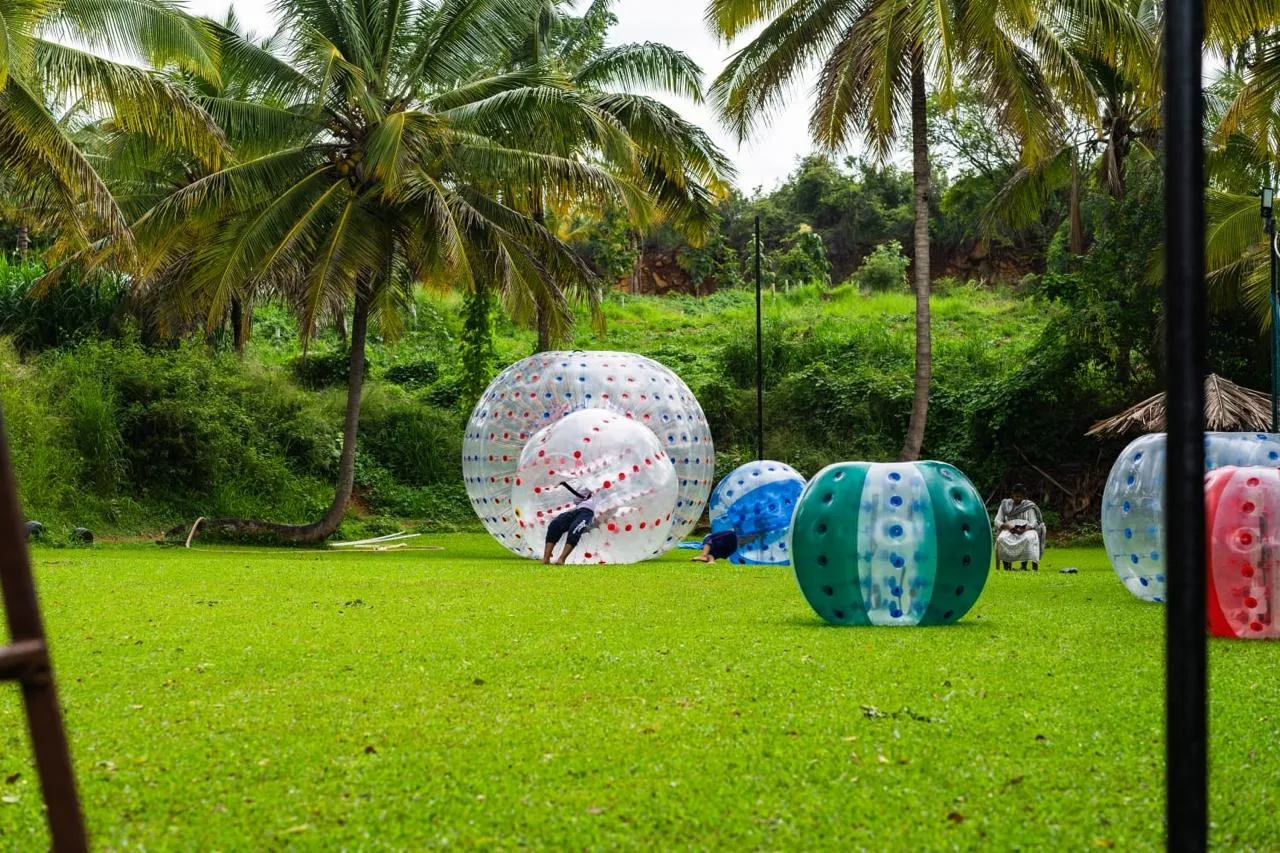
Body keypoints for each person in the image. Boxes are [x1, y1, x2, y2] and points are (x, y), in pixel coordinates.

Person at [543, 483, 604, 565]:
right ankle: (546, 558)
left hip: (589, 513)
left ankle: (561, 559)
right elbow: (577, 500)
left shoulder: (607, 494)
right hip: (577, 510)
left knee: (575, 529)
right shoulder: (591, 490)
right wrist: (588, 488)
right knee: (555, 524)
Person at [994, 484, 1046, 571]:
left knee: (1029, 538)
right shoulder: (1005, 504)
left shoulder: (1029, 505)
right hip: (1009, 529)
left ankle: (1024, 566)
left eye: (1021, 497)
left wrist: (1025, 529)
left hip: (1025, 529)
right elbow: (997, 520)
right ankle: (1006, 566)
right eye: (1016, 496)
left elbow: (1034, 521)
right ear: (1012, 495)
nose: (1018, 498)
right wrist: (1007, 526)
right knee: (1002, 539)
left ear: (1024, 497)